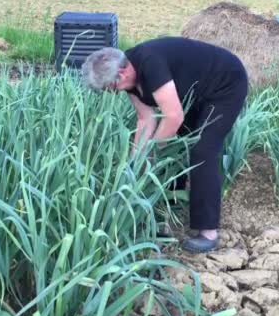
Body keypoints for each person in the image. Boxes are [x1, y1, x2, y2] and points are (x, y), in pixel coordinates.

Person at [80, 36, 248, 253]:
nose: (109, 92)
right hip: (193, 92)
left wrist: (152, 153)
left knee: (202, 150)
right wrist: (136, 162)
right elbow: (146, 119)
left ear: (121, 74)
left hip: (225, 84)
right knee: (176, 144)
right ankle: (172, 207)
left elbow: (173, 116)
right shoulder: (128, 75)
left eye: (108, 87)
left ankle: (208, 232)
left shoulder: (150, 64)